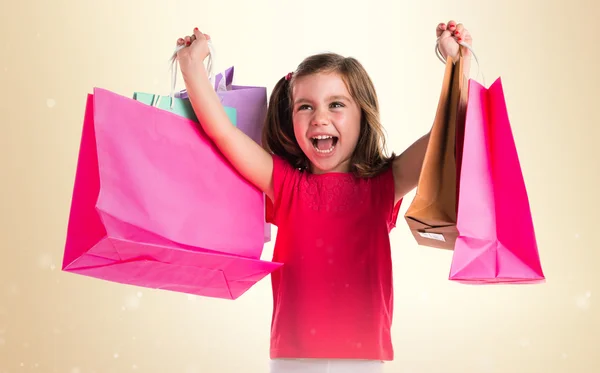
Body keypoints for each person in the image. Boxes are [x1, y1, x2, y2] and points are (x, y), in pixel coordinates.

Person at [175, 20, 472, 373]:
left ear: (363, 114)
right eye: (306, 106)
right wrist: (191, 66)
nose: (320, 119)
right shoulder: (283, 183)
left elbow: (448, 133)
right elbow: (222, 131)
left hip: (364, 358)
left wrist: (458, 63)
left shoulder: (385, 185)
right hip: (291, 358)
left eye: (336, 105)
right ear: (291, 116)